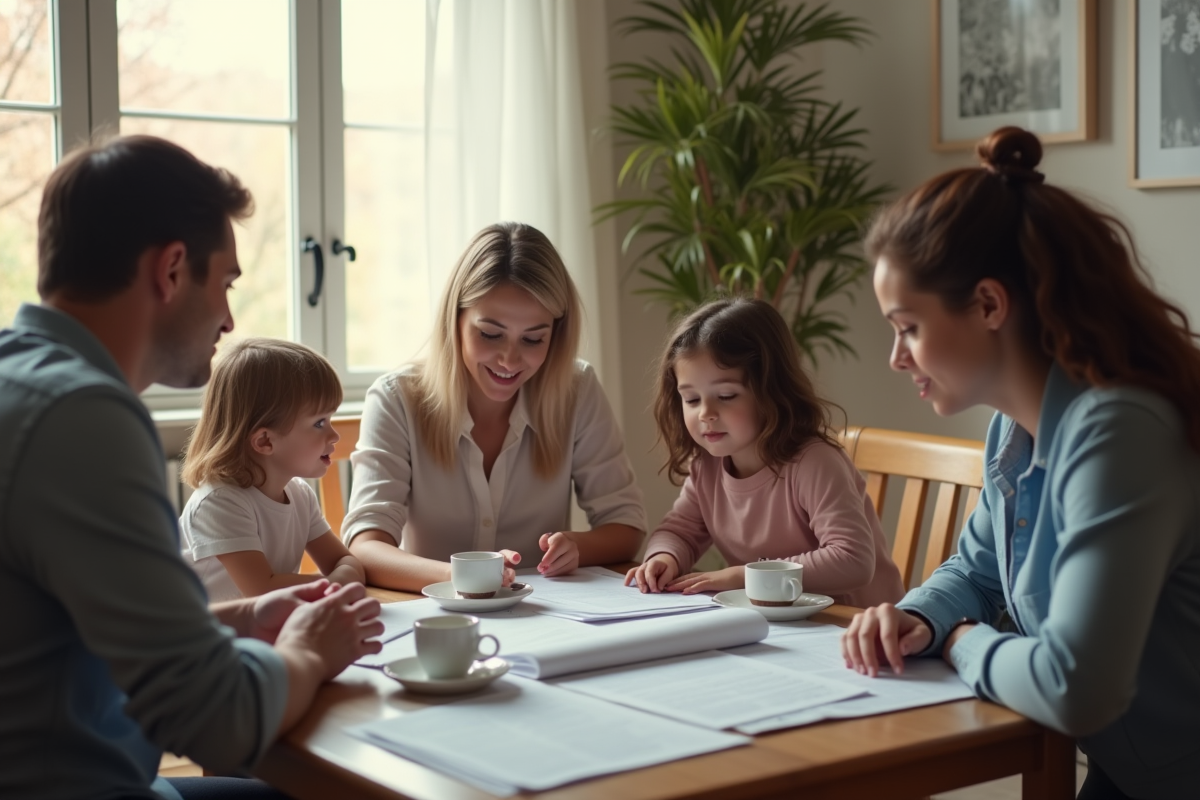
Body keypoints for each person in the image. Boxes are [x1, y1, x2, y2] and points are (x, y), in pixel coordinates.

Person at [0, 135, 383, 800]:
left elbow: (68, 631)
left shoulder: (22, 382)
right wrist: (309, 650)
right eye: (227, 283)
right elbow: (216, 721)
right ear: (172, 270)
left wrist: (239, 618)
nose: (230, 318)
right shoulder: (82, 419)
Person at [842, 127, 1200, 800]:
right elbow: (978, 568)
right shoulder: (1020, 424)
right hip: (1132, 774)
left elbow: (1075, 689)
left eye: (907, 327)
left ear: (987, 305)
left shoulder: (1120, 433)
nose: (897, 358)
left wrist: (961, 644)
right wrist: (921, 617)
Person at [344, 222, 646, 591]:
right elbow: (365, 547)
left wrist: (577, 546)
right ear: (454, 320)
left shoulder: (577, 390)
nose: (509, 360)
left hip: (545, 617)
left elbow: (627, 527)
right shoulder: (395, 399)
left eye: (534, 339)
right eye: (490, 334)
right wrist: (458, 577)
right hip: (439, 615)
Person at [624, 297, 905, 606]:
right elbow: (679, 531)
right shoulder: (707, 466)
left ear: (772, 390)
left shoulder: (814, 462)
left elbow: (852, 559)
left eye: (726, 395)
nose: (706, 413)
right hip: (779, 624)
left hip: (851, 627)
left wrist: (744, 576)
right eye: (691, 399)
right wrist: (664, 558)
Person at [179, 338, 366, 601]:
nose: (334, 435)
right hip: (205, 636)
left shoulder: (300, 495)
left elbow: (345, 560)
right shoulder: (220, 502)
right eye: (319, 423)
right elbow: (262, 590)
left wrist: (339, 578)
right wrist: (336, 584)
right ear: (265, 441)